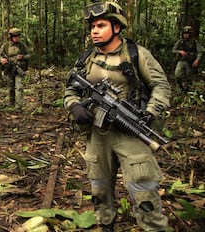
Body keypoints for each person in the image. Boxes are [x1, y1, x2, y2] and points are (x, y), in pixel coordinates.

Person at [64, 1, 170, 231]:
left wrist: (150, 112)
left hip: (130, 131)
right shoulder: (86, 59)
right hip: (97, 135)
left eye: (100, 25)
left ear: (117, 28)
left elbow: (161, 86)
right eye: (92, 26)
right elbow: (70, 89)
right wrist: (74, 106)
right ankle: (106, 225)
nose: (94, 30)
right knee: (99, 189)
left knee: (144, 190)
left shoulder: (136, 54)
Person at [0, 27, 30, 111]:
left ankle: (18, 107)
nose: (17, 38)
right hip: (9, 69)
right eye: (15, 36)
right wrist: (1, 60)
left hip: (19, 68)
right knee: (11, 87)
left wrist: (22, 57)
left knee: (19, 87)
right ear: (11, 37)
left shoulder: (22, 45)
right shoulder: (6, 46)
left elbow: (29, 55)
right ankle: (11, 104)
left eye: (18, 36)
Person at [172, 25, 203, 93]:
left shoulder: (195, 42)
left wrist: (197, 60)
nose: (186, 35)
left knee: (189, 78)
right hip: (181, 60)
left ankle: (188, 92)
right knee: (177, 75)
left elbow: (200, 52)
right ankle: (180, 90)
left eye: (187, 34)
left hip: (190, 62)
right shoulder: (180, 41)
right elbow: (173, 50)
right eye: (185, 33)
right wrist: (180, 51)